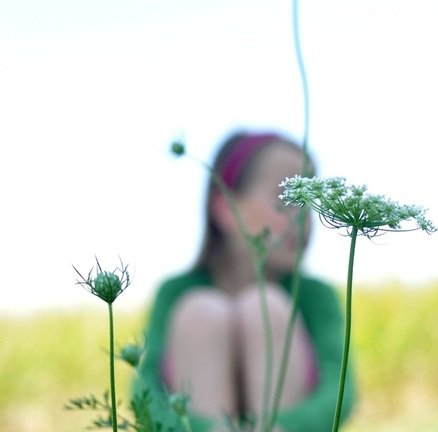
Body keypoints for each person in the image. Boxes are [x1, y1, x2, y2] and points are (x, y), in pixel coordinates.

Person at [134, 130, 356, 432]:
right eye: (287, 199)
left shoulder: (315, 295)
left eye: (310, 201)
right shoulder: (176, 292)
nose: (304, 217)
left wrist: (282, 426)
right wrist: (207, 428)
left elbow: (341, 391)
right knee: (201, 312)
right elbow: (145, 392)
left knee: (265, 308)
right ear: (225, 208)